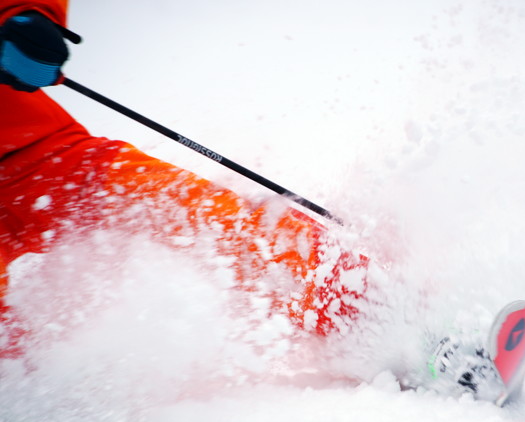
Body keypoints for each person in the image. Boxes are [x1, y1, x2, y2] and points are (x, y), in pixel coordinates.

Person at [0, 0, 369, 360]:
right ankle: (38, 397)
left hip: (38, 154)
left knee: (197, 213)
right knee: (17, 364)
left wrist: (19, 13)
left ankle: (364, 306)